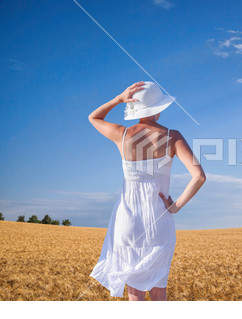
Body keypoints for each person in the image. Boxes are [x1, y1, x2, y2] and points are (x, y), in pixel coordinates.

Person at [87, 81, 206, 301]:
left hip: (127, 221)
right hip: (160, 219)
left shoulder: (121, 134)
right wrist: (176, 206)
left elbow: (93, 117)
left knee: (134, 292)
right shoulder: (173, 136)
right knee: (159, 288)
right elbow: (199, 177)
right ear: (158, 108)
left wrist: (118, 98)